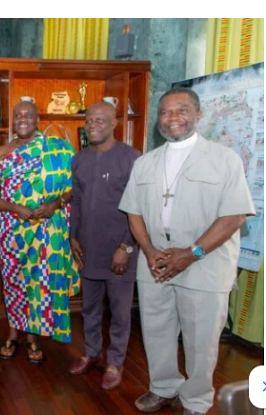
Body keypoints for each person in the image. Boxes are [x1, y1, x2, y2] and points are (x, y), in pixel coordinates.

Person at [119, 87, 255, 415]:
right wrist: (149, 250)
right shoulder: (146, 163)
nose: (173, 118)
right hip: (156, 264)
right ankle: (163, 387)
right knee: (156, 330)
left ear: (198, 115)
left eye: (181, 110)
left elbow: (234, 215)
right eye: (165, 112)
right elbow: (133, 212)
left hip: (204, 264)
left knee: (201, 340)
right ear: (158, 121)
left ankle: (195, 401)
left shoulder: (225, 159)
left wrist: (190, 254)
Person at [0, 101, 79, 363]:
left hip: (44, 230)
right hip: (12, 231)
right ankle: (13, 333)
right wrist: (15, 207)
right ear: (12, 121)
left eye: (28, 115)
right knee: (14, 282)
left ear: (38, 119)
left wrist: (55, 204)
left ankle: (33, 338)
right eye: (18, 115)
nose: (23, 119)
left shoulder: (54, 150)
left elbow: (72, 187)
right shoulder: (2, 153)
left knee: (37, 283)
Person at [67, 102, 140, 390]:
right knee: (90, 308)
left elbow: (140, 208)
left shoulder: (132, 159)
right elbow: (77, 201)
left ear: (114, 124)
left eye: (100, 120)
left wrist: (127, 245)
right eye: (88, 120)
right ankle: (91, 353)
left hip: (120, 252)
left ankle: (115, 362)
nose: (93, 125)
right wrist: (73, 236)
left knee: (120, 312)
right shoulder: (80, 159)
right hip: (87, 249)